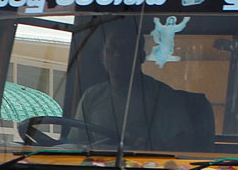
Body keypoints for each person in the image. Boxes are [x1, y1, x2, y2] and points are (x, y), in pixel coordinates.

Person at [73, 21, 196, 151]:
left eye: (126, 49)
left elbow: (181, 146)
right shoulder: (91, 96)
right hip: (96, 168)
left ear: (141, 56)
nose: (117, 55)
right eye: (112, 48)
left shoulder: (161, 96)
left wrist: (149, 147)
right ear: (102, 56)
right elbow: (75, 145)